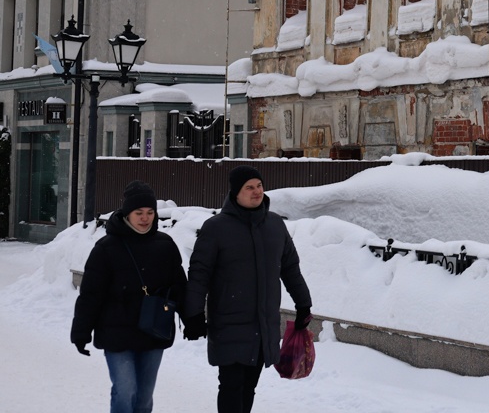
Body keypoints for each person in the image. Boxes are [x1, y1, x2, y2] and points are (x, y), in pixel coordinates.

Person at [184, 165, 312, 413]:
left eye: (259, 186)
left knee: (249, 388)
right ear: (235, 193)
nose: (257, 192)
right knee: (231, 386)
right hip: (229, 323)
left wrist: (303, 303)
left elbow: (290, 269)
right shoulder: (216, 228)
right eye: (249, 187)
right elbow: (199, 274)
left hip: (263, 324)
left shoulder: (275, 225)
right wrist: (194, 314)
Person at [71, 181, 187, 413]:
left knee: (144, 398)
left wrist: (192, 321)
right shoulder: (106, 248)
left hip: (153, 331)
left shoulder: (165, 245)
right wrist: (81, 331)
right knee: (126, 391)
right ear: (127, 213)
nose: (145, 218)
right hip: (117, 333)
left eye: (150, 212)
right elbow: (91, 295)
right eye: (138, 213)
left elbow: (179, 287)